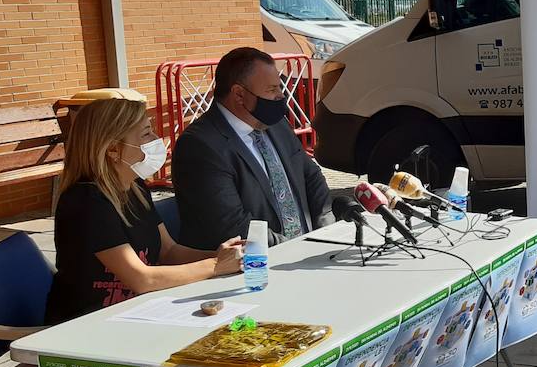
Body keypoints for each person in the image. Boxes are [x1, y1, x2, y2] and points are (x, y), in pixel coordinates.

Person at [46, 99, 242, 325]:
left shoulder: (135, 187)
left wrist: (224, 256)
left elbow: (168, 252)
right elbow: (140, 278)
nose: (156, 139)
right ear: (112, 149)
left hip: (135, 312)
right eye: (146, 134)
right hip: (88, 324)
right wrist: (216, 266)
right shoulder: (86, 202)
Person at [173, 47, 333, 250]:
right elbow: (231, 226)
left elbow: (310, 176)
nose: (280, 96)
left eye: (279, 88)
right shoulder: (200, 147)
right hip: (251, 268)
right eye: (271, 90)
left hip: (306, 251)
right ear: (239, 94)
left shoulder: (275, 124)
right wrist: (296, 249)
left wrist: (325, 228)